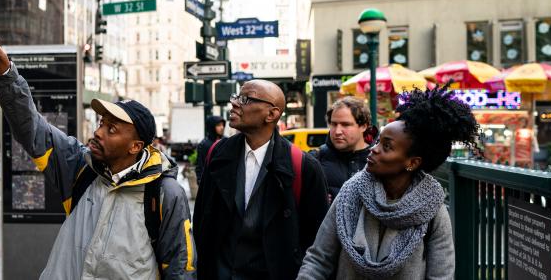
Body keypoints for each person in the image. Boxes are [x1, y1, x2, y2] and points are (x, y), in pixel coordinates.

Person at [0, 8, 195, 279]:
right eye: (100, 123)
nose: (99, 133)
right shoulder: (80, 167)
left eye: (112, 129)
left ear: (136, 146)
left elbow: (180, 268)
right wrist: (4, 68)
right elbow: (31, 127)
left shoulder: (165, 193)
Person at [298, 85, 479, 279]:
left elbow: (441, 275)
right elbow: (318, 259)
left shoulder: (432, 208)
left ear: (412, 162)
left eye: (386, 146)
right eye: (378, 142)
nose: (373, 149)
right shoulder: (350, 192)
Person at [193, 80, 329, 280]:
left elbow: (317, 241)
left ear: (271, 114)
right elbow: (202, 221)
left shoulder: (304, 166)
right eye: (236, 97)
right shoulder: (217, 153)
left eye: (245, 99)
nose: (235, 103)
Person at [309, 97, 373, 204]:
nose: (337, 131)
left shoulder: (379, 159)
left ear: (363, 126)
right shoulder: (315, 159)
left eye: (345, 125)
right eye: (334, 124)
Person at [195, 115, 226, 184]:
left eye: (223, 125)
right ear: (212, 127)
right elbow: (200, 166)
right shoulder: (204, 144)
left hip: (224, 182)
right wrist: (200, 182)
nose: (222, 127)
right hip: (210, 183)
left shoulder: (226, 141)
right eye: (218, 125)